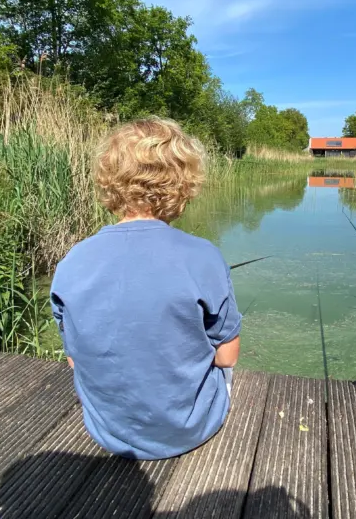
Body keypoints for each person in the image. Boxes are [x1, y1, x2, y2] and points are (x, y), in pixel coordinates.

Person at [50, 118, 242, 460]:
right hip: (190, 429)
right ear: (184, 186)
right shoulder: (203, 256)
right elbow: (227, 356)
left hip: (106, 430)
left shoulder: (72, 261)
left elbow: (73, 357)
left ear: (109, 183)